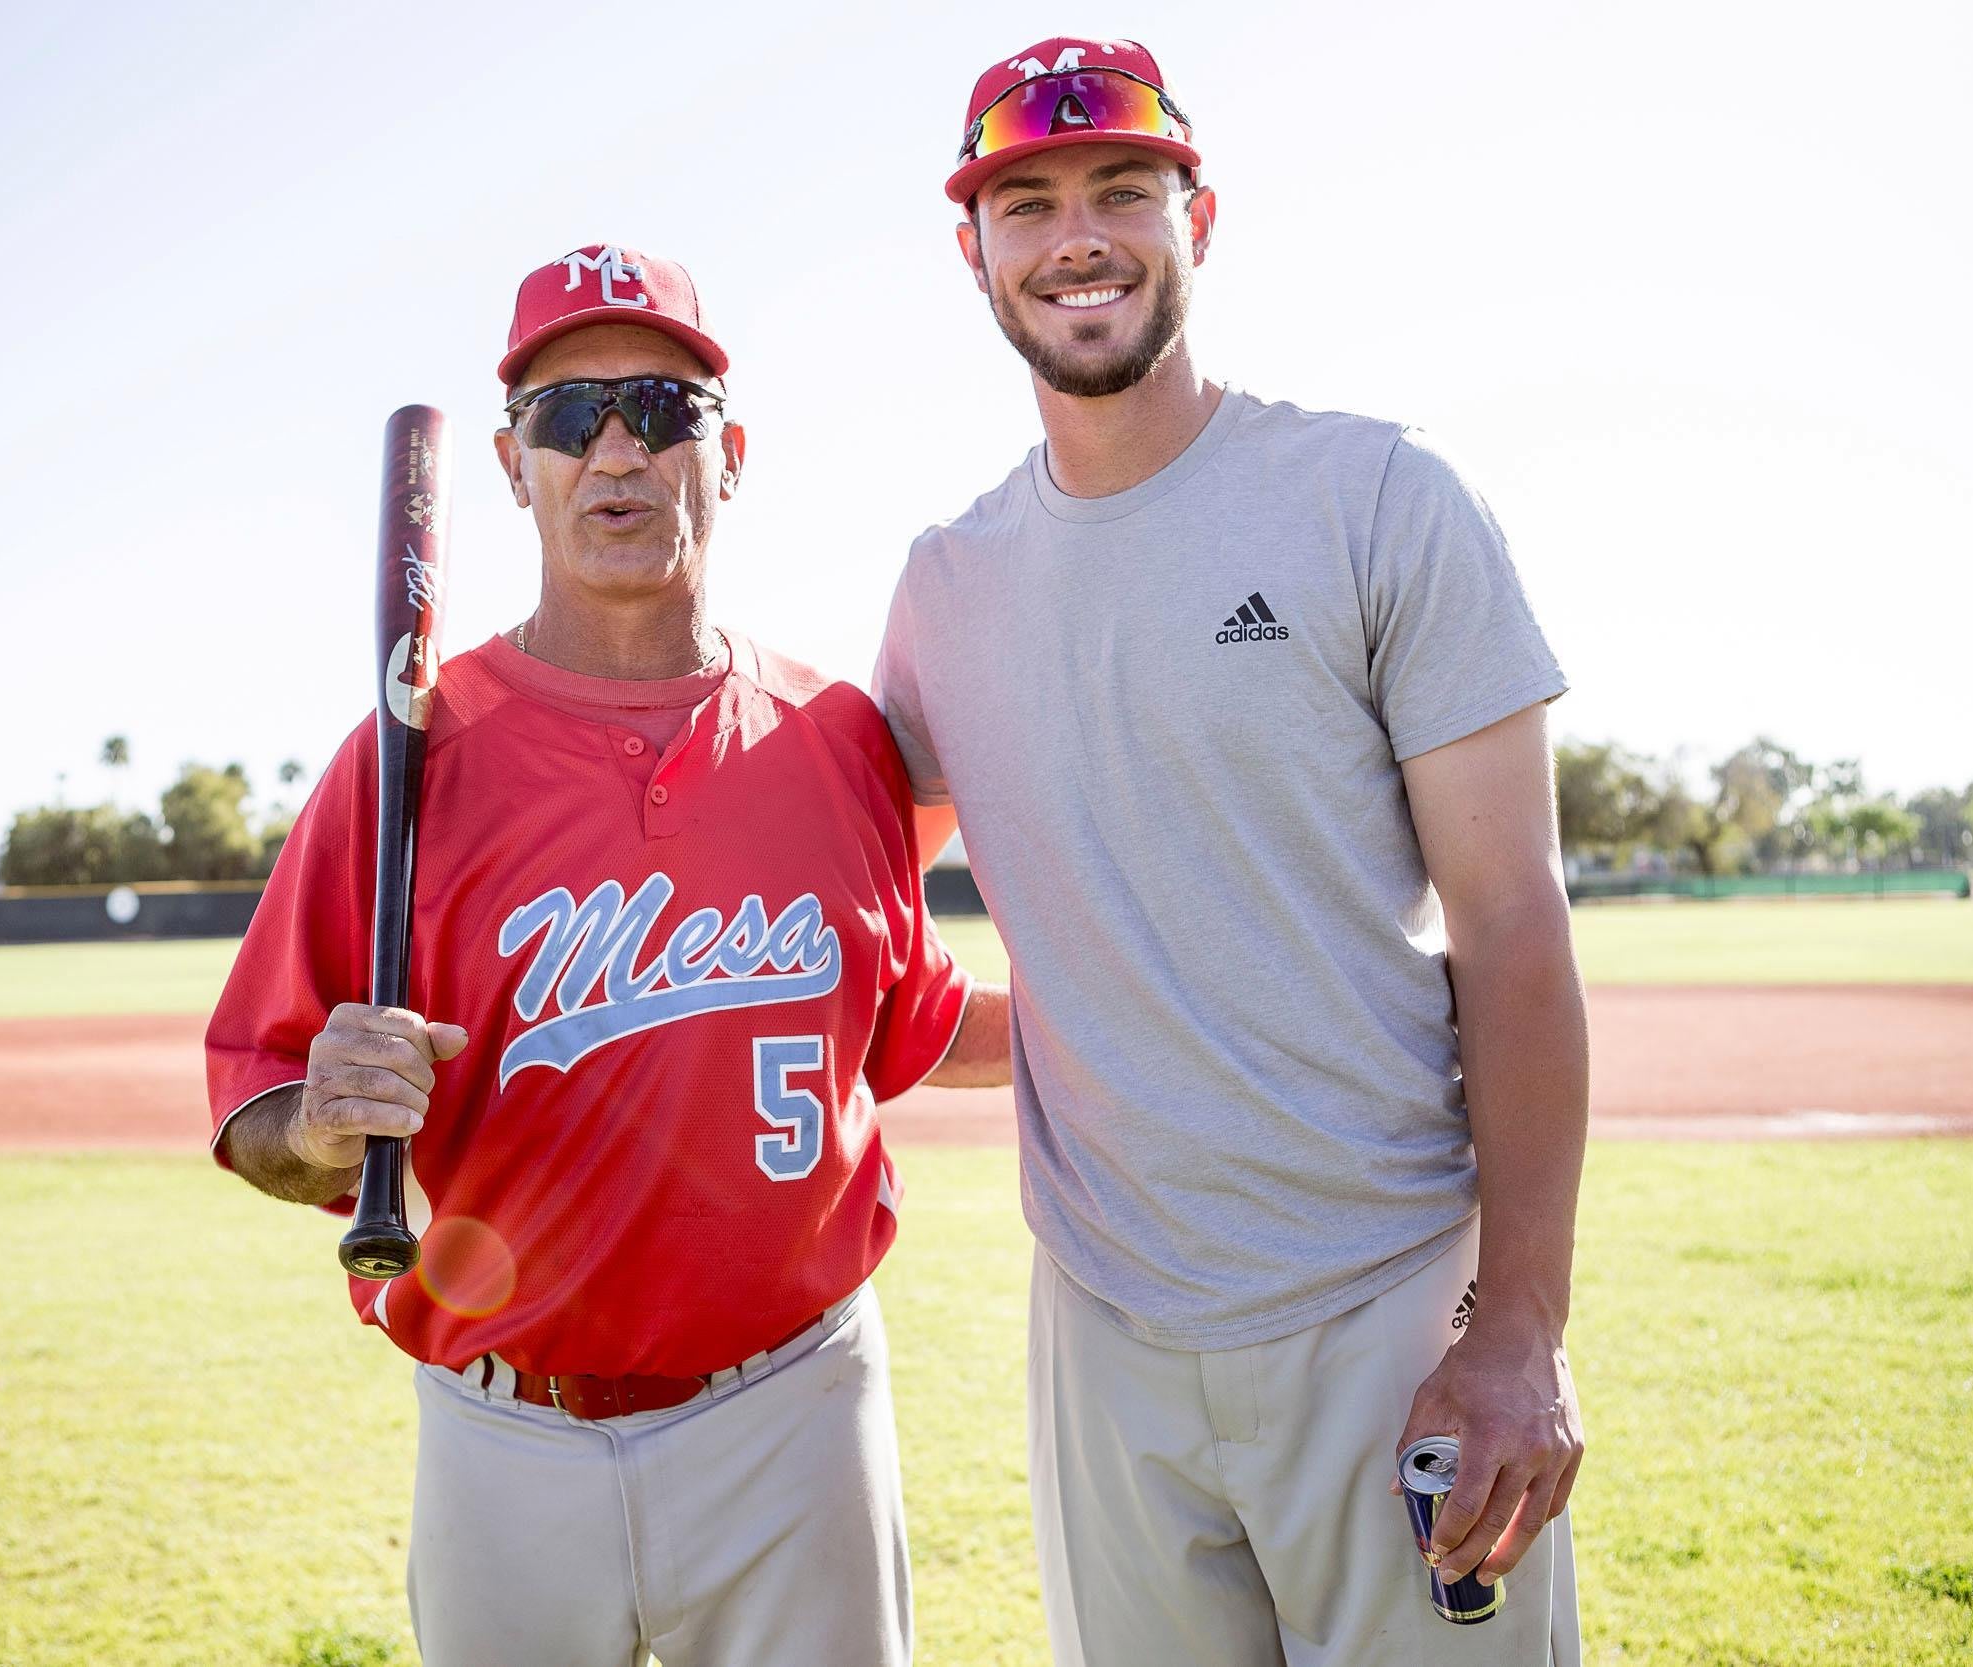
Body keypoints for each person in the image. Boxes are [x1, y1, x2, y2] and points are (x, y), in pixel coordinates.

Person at [873, 38, 1588, 1664]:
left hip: (1386, 1294)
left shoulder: (1375, 498)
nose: (1078, 237)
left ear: (1197, 213)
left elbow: (1515, 924)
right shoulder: (946, 587)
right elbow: (828, 888)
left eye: (1123, 189)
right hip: (1105, 1325)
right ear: (970, 249)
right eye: (1028, 200)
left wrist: (1521, 1325)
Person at [207, 242, 1010, 1667]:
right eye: (569, 417)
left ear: (731, 450)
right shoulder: (406, 758)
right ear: (515, 466)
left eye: (663, 406)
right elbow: (262, 1111)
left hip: (795, 1416)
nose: (619, 449)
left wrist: (1186, 1004)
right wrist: (326, 1129)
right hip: (504, 1430)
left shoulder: (836, 742)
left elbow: (915, 1027)